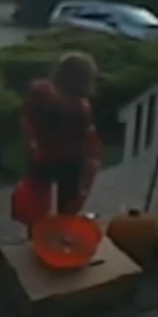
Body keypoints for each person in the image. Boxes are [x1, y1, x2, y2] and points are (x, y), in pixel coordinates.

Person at [21, 51, 103, 218]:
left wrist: (32, 143)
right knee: (67, 207)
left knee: (38, 206)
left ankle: (38, 233)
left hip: (41, 159)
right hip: (69, 162)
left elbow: (26, 117)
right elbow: (84, 143)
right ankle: (62, 229)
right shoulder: (80, 109)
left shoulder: (39, 92)